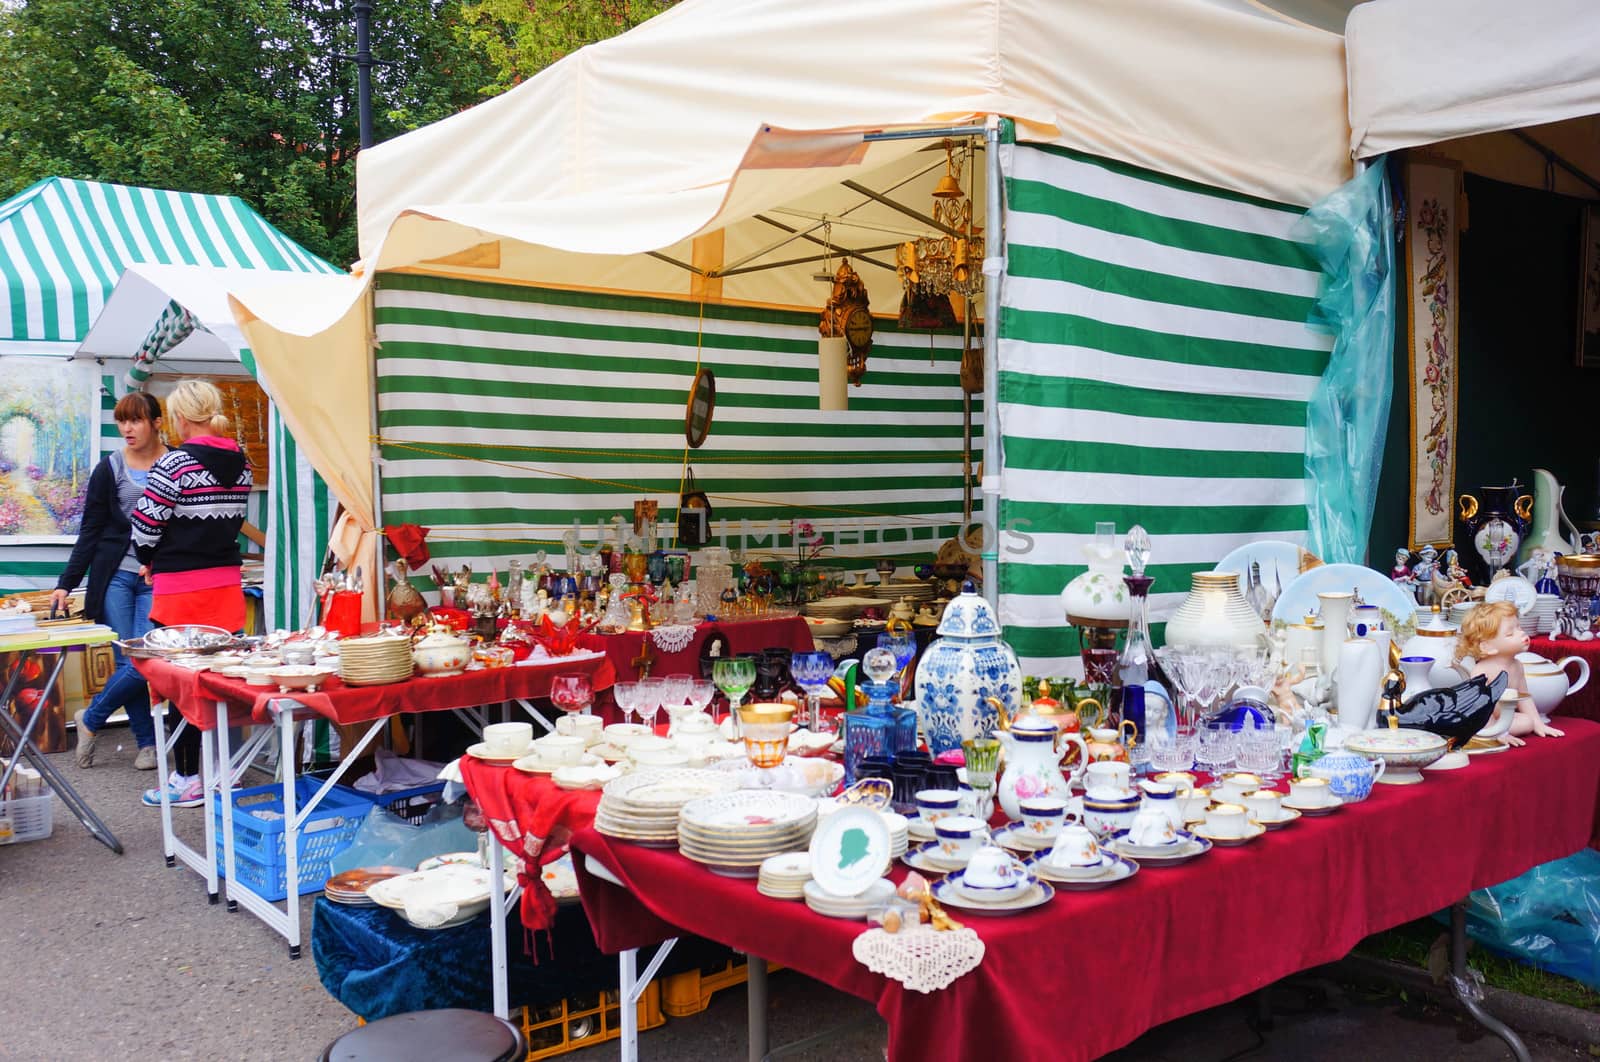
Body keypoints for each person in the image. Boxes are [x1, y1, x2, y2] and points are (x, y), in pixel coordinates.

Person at [130, 380, 253, 807]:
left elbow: (146, 526)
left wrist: (147, 556)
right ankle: (224, 773)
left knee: (179, 687)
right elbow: (234, 520)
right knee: (223, 681)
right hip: (226, 586)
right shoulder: (242, 461)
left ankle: (187, 780)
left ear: (180, 418)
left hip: (180, 589)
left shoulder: (174, 463)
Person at [55, 392, 170, 770]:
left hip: (157, 576)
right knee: (131, 657)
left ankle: (90, 719)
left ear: (156, 421)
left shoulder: (176, 463)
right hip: (117, 576)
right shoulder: (110, 468)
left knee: (144, 657)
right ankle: (147, 745)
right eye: (122, 420)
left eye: (135, 420)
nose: (127, 428)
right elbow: (90, 530)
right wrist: (66, 583)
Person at [1455, 600, 1564, 745]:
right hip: (1481, 719)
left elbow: (1524, 698)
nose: (1521, 633)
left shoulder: (1517, 666)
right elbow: (1478, 706)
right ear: (1487, 647)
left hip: (1502, 717)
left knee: (1527, 722)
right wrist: (1494, 731)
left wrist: (1538, 723)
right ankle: (1488, 732)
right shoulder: (1482, 671)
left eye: (1519, 627)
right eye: (1510, 634)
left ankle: (1501, 729)